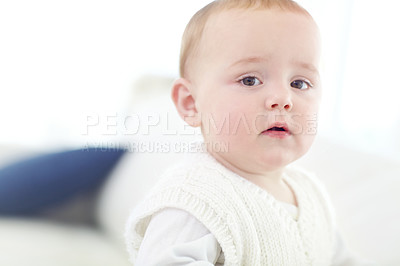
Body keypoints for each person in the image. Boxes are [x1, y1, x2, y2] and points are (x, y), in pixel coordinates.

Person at [125, 0, 373, 265]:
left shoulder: (311, 196)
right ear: (191, 103)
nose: (283, 98)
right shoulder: (193, 202)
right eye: (250, 80)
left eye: (299, 83)